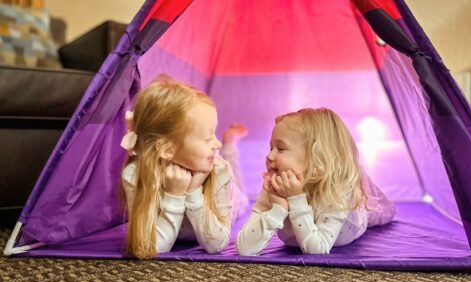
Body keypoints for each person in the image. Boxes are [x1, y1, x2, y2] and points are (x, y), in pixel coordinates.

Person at [237, 108, 395, 255]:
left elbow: (317, 250)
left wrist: (296, 200)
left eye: (281, 149)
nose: (269, 156)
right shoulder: (274, 186)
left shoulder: (337, 190)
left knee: (382, 212)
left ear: (315, 157)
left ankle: (359, 177)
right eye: (270, 147)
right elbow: (245, 249)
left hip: (354, 218)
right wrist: (278, 209)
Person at [120, 76, 248, 259]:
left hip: (230, 199)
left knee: (241, 196)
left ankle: (231, 144)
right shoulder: (134, 175)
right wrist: (175, 195)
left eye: (215, 133)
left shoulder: (217, 170)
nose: (216, 143)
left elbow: (216, 245)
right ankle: (229, 144)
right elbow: (152, 246)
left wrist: (195, 191)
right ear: (167, 149)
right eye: (208, 137)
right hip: (196, 163)